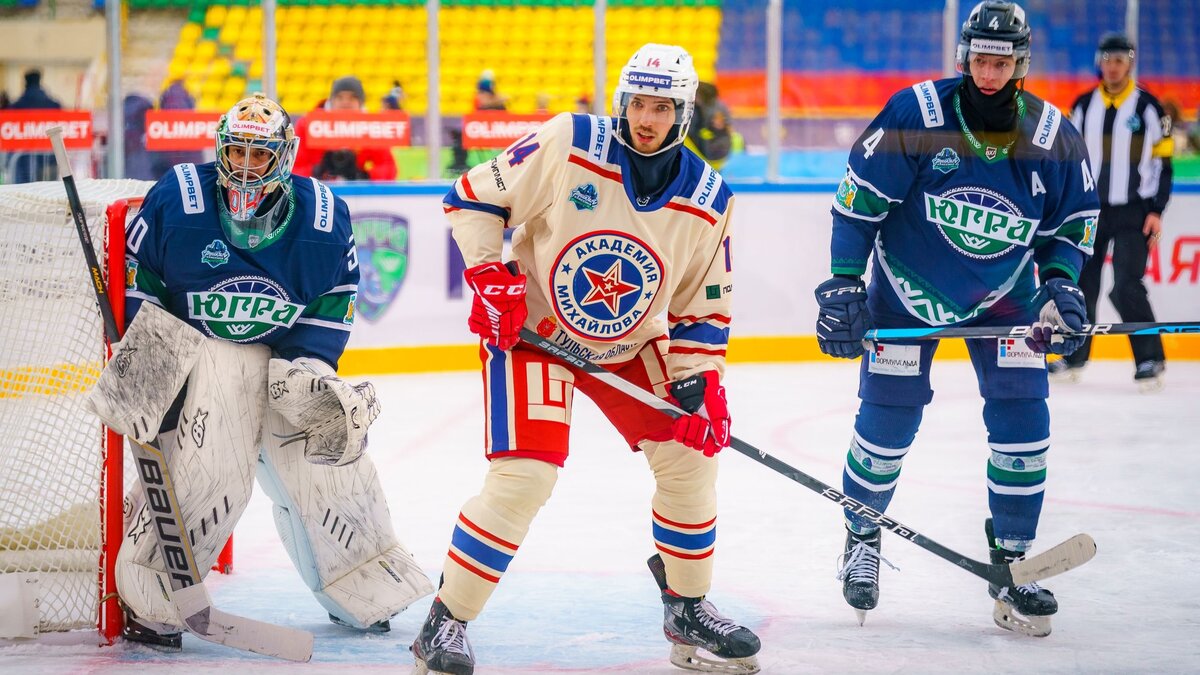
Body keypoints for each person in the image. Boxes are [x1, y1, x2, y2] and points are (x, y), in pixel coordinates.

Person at [410, 44, 761, 674]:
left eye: (661, 107)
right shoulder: (569, 141)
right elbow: (470, 197)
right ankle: (446, 620)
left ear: (684, 113)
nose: (645, 118)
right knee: (526, 477)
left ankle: (686, 606)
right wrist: (492, 277)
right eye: (636, 103)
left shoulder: (710, 198)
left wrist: (701, 384)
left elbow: (702, 310)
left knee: (689, 456)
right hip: (535, 331)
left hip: (630, 346)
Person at [83, 93, 432, 650]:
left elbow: (331, 303)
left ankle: (361, 582)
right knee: (215, 475)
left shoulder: (322, 217)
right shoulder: (179, 197)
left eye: (259, 155)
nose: (245, 166)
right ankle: (154, 593)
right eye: (236, 152)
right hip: (200, 353)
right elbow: (141, 283)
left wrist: (309, 374)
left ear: (284, 157)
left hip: (284, 353)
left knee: (321, 461)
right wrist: (152, 371)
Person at [812, 1, 1099, 638]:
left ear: (1020, 63)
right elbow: (858, 205)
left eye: (1001, 60)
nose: (988, 71)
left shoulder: (1051, 137)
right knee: (887, 421)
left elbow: (1070, 228)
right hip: (905, 290)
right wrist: (841, 283)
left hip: (1006, 300)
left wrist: (1061, 287)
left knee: (1024, 422)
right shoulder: (917, 114)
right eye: (979, 58)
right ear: (963, 56)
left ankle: (1015, 558)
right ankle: (863, 535)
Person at [1055, 33, 1174, 390]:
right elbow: (1068, 162)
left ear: (1130, 63)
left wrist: (1156, 210)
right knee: (1082, 285)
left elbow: (1163, 164)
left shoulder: (1149, 108)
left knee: (1126, 286)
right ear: (1100, 62)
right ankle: (1074, 355)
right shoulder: (1082, 106)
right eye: (1107, 59)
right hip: (1090, 210)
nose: (1113, 66)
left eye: (1119, 59)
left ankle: (1150, 358)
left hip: (1133, 212)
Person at [293, 76, 398, 181]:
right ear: (331, 100)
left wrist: (365, 176)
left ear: (361, 102)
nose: (345, 102)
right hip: (315, 189)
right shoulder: (308, 124)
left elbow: (389, 167)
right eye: (339, 97)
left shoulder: (369, 126)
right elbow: (292, 168)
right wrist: (316, 171)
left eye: (353, 98)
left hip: (355, 191)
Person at [7, 69, 62, 183]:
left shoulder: (17, 106)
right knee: (48, 193)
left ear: (26, 82)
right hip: (49, 156)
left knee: (25, 193)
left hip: (23, 158)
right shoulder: (53, 105)